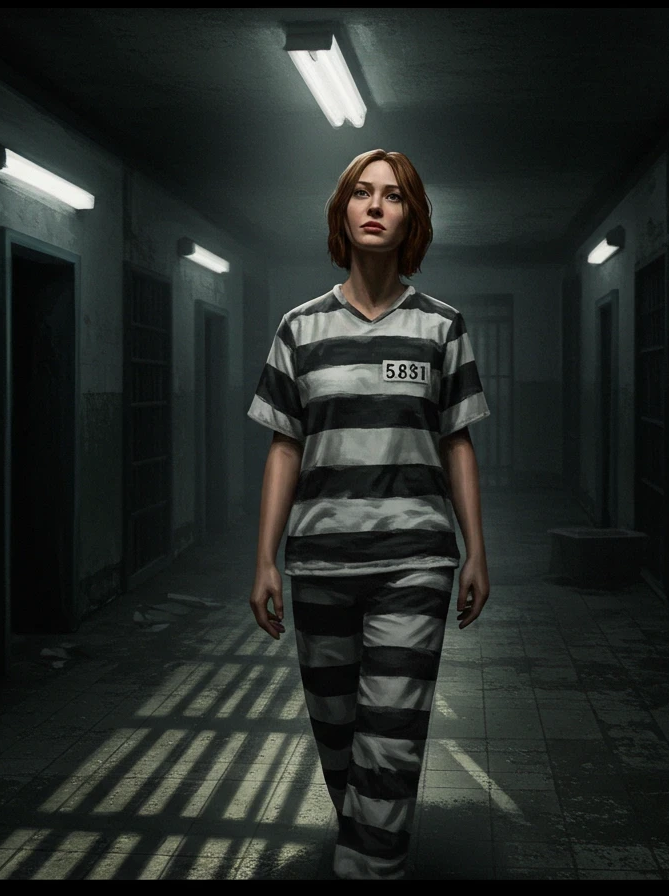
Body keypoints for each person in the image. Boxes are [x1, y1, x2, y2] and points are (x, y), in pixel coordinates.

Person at [245, 148, 491, 879]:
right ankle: (374, 851)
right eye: (362, 193)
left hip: (414, 565)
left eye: (393, 196)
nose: (376, 205)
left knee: (391, 741)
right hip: (319, 563)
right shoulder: (300, 329)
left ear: (412, 216)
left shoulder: (441, 327)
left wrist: (476, 549)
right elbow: (285, 448)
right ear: (343, 212)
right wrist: (264, 559)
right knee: (342, 744)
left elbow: (457, 442)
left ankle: (368, 870)